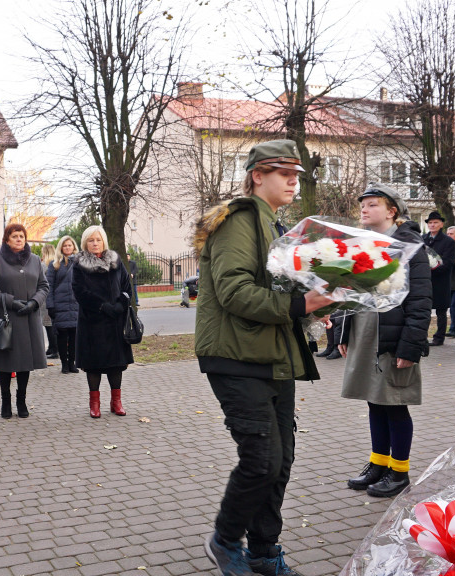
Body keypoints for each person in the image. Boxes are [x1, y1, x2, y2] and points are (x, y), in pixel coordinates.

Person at [192, 139, 332, 576]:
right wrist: (299, 306)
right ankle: (226, 539)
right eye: (282, 172)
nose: (293, 179)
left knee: (281, 461)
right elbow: (234, 291)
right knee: (262, 460)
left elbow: (283, 289)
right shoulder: (239, 222)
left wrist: (328, 296)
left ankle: (264, 551)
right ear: (257, 175)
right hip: (236, 358)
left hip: (274, 356)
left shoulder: (276, 226)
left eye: (296, 173)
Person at [336, 184, 431, 499]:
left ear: (392, 211)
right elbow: (347, 292)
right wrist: (341, 332)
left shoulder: (411, 247)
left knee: (394, 403)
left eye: (373, 204)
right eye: (362, 204)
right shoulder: (363, 244)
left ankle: (399, 471)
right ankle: (378, 464)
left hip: (391, 336)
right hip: (364, 331)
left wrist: (410, 346)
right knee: (373, 400)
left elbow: (420, 302)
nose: (364, 208)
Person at [0, 223, 49, 419]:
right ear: (6, 239)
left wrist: (34, 302)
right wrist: (11, 302)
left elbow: (44, 286)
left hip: (29, 317)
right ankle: (6, 400)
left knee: (24, 362)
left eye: (22, 236)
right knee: (5, 360)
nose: (19, 239)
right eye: (15, 236)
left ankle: (21, 400)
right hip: (6, 317)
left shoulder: (35, 260)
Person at [72, 226, 133, 418]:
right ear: (85, 243)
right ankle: (94, 404)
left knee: (116, 364)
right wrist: (102, 306)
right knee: (94, 365)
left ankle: (116, 402)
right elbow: (80, 291)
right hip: (92, 322)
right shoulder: (79, 264)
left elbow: (126, 286)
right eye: (91, 240)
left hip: (115, 321)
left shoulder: (115, 260)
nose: (95, 243)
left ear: (104, 241)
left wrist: (120, 304)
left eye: (98, 239)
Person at [421, 211, 455, 346]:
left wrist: (433, 267)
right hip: (425, 280)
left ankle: (439, 337)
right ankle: (422, 336)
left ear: (441, 224)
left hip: (440, 280)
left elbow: (448, 263)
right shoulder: (422, 238)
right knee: (424, 309)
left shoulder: (448, 242)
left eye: (435, 222)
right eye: (430, 222)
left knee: (441, 310)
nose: (432, 225)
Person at [46, 236, 80, 374]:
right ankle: (64, 364)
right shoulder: (54, 264)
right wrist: (50, 305)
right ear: (61, 247)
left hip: (75, 305)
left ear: (73, 247)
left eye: (69, 245)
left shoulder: (79, 262)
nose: (67, 247)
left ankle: (72, 363)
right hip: (59, 306)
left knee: (74, 337)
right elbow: (49, 286)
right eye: (65, 245)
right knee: (62, 336)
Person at [40, 244, 59, 359]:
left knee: (49, 325)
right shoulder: (56, 264)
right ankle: (52, 347)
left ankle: (54, 349)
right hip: (54, 297)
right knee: (51, 324)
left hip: (45, 298)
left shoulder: (44, 265)